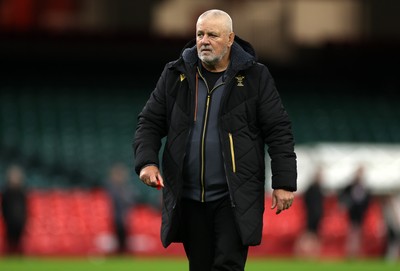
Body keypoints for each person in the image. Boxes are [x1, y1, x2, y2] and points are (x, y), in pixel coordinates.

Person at [133, 9, 297, 271]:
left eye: (212, 34)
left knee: (227, 265)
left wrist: (284, 182)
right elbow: (149, 122)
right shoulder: (175, 74)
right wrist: (147, 163)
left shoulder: (256, 77)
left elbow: (278, 131)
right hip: (189, 197)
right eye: (200, 34)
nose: (204, 40)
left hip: (234, 197)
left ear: (230, 38)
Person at [339, 165, 371, 258]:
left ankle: (356, 253)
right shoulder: (350, 186)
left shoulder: (364, 187)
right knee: (352, 234)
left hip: (360, 215)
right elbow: (343, 196)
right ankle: (350, 253)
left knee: (358, 234)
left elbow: (367, 201)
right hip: (352, 214)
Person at [105, 162, 136, 254]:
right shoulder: (112, 188)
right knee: (118, 236)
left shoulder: (125, 188)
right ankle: (120, 252)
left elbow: (130, 201)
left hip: (124, 217)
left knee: (124, 237)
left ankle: (123, 252)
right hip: (116, 217)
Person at [295, 166, 324, 258]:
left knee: (314, 235)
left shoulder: (319, 188)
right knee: (308, 234)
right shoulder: (311, 189)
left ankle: (312, 254)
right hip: (311, 215)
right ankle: (301, 252)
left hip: (317, 215)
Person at [1, 164, 28, 255]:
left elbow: (25, 207)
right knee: (10, 241)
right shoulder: (7, 192)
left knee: (19, 241)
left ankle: (19, 255)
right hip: (9, 221)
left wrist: (24, 219)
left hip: (19, 221)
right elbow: (4, 207)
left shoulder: (21, 192)